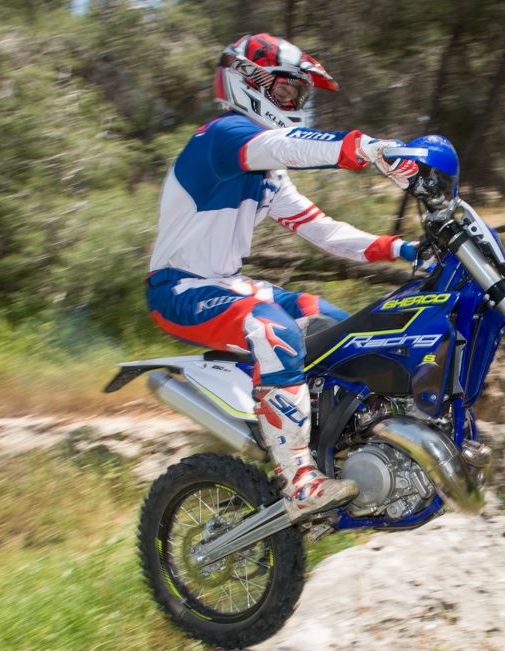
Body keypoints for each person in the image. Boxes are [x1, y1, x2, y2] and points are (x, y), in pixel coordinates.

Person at [146, 33, 418, 522]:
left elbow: (323, 231)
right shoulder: (223, 137)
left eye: (299, 95)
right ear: (248, 81)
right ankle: (298, 481)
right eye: (288, 91)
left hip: (226, 283)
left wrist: (401, 249)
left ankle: (345, 444)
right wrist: (365, 148)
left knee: (342, 328)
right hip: (178, 287)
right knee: (274, 330)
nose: (295, 104)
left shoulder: (267, 171)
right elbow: (287, 145)